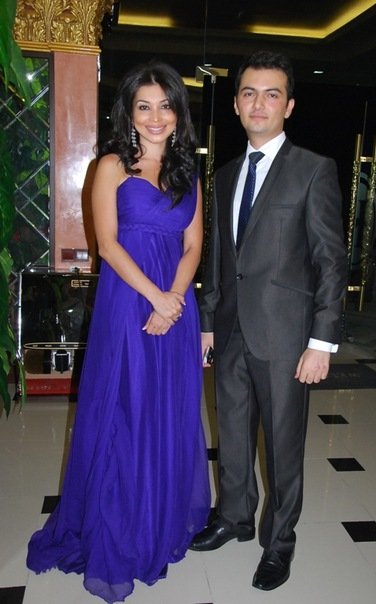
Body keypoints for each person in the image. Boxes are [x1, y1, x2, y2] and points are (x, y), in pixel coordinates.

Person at [27, 61, 210, 603]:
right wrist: (157, 298)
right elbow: (107, 245)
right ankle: (117, 531)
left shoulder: (188, 173)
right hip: (129, 304)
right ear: (128, 113)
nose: (156, 117)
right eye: (144, 106)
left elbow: (194, 245)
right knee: (123, 413)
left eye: (166, 106)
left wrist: (174, 300)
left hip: (175, 308)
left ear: (178, 113)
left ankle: (158, 520)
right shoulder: (110, 165)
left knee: (166, 412)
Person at [190, 50, 347, 592]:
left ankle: (279, 543)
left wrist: (322, 341)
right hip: (230, 329)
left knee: (281, 446)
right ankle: (234, 516)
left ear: (289, 106)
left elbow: (331, 261)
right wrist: (207, 322)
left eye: (272, 94)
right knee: (232, 433)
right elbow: (218, 258)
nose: (259, 104)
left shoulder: (313, 170)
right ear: (236, 104)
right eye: (249, 93)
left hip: (286, 336)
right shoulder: (225, 175)